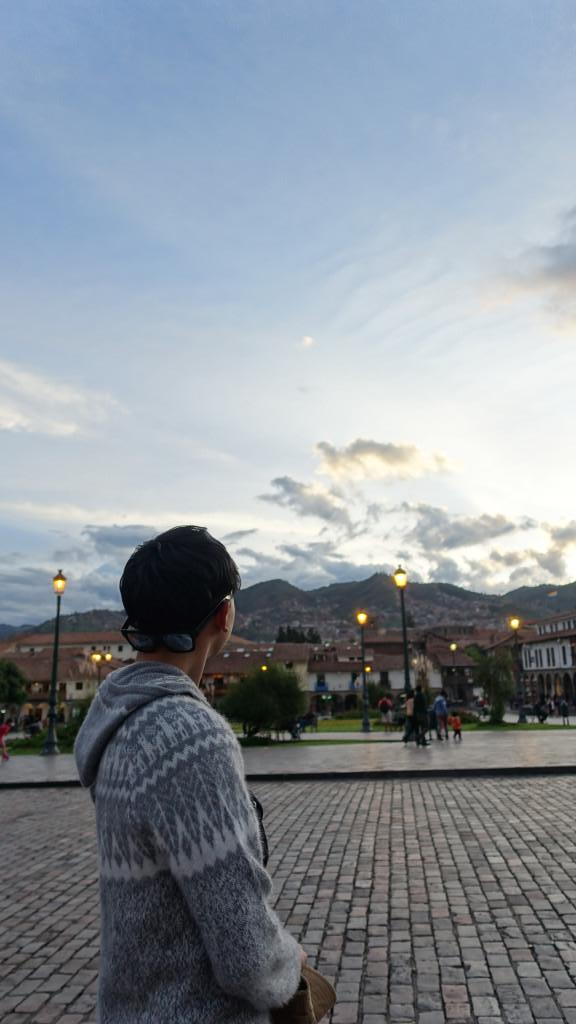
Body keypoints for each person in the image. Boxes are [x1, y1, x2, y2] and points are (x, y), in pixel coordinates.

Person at [75, 526, 305, 1024]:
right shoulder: (188, 736)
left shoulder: (117, 719)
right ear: (224, 615)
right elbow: (246, 954)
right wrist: (290, 962)